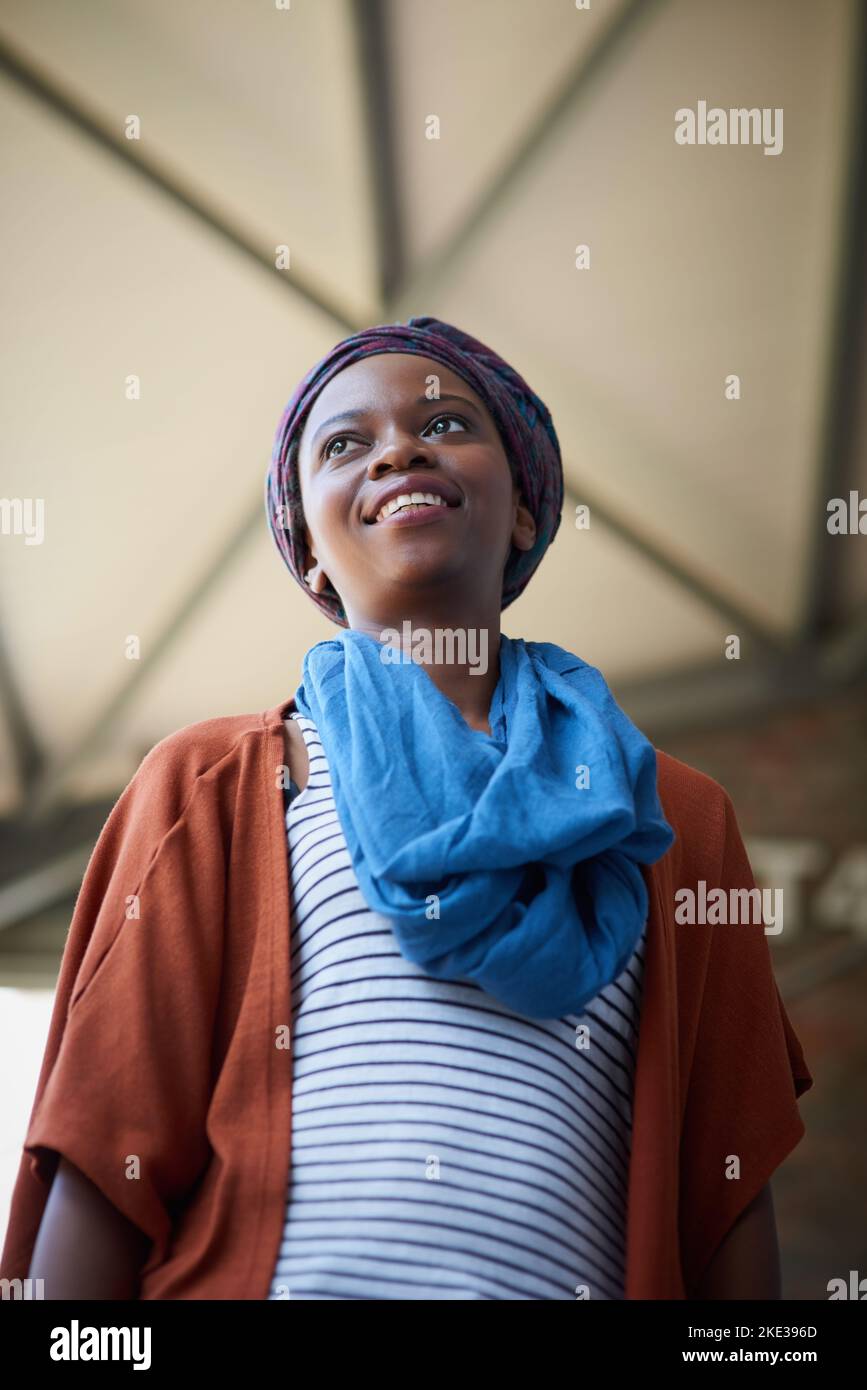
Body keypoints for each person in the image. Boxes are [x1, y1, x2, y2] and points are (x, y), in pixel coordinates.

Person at [1, 317, 812, 1301]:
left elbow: (728, 1193)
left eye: (447, 421)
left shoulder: (671, 819)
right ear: (310, 554)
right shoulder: (208, 785)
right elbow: (102, 1154)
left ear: (524, 511)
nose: (399, 447)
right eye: (345, 443)